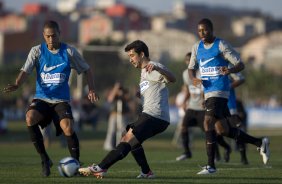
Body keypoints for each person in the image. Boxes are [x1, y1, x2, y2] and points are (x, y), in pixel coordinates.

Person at [3, 20, 99, 177]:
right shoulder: (37, 51)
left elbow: (87, 70)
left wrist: (92, 89)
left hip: (61, 100)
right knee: (29, 117)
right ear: (44, 36)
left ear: (59, 34)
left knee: (68, 127)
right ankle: (45, 160)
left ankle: (75, 164)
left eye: (54, 36)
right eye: (48, 36)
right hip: (42, 98)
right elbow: (25, 71)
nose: (51, 39)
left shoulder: (69, 52)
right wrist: (17, 83)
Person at [78, 40, 176, 179]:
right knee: (130, 137)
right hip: (152, 116)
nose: (130, 59)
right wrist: (139, 95)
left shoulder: (153, 67)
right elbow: (153, 91)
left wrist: (158, 68)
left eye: (132, 55)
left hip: (155, 116)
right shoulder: (143, 72)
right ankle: (146, 172)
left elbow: (172, 78)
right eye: (129, 56)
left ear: (142, 54)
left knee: (127, 138)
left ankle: (101, 167)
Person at [188, 18, 270, 175]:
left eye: (205, 30)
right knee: (223, 130)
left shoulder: (221, 45)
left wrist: (229, 71)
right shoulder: (196, 47)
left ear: (211, 30)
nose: (202, 33)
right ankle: (259, 142)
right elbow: (191, 68)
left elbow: (240, 64)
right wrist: (194, 78)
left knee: (207, 122)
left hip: (220, 90)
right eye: (199, 30)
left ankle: (211, 166)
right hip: (208, 92)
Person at [175, 52, 230, 162]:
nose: (189, 63)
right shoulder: (186, 74)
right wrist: (184, 102)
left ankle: (222, 150)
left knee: (210, 132)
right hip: (191, 107)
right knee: (183, 126)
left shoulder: (202, 72)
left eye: (191, 60)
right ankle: (187, 152)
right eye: (187, 61)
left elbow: (207, 88)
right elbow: (187, 90)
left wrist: (205, 100)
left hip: (202, 108)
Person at [103, 82, 131, 151]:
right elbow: (110, 99)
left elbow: (128, 98)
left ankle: (122, 144)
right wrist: (115, 90)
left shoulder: (124, 92)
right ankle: (108, 145)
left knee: (123, 130)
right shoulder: (113, 92)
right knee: (111, 131)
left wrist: (122, 94)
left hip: (123, 115)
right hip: (114, 114)